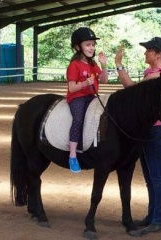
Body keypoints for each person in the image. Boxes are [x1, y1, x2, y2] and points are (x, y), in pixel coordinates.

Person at [115, 37, 161, 235]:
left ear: (159, 54)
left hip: (155, 130)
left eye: (149, 50)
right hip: (151, 130)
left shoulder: (156, 77)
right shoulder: (153, 74)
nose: (145, 53)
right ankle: (154, 215)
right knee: (151, 176)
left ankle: (160, 219)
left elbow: (131, 91)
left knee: (156, 176)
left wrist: (119, 65)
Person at [66, 27, 108, 173]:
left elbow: (104, 81)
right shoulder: (74, 65)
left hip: (91, 97)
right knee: (78, 119)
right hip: (77, 98)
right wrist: (85, 83)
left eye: (93, 45)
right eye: (88, 45)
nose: (92, 48)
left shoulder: (92, 64)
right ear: (78, 47)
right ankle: (72, 154)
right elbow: (71, 88)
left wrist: (103, 64)